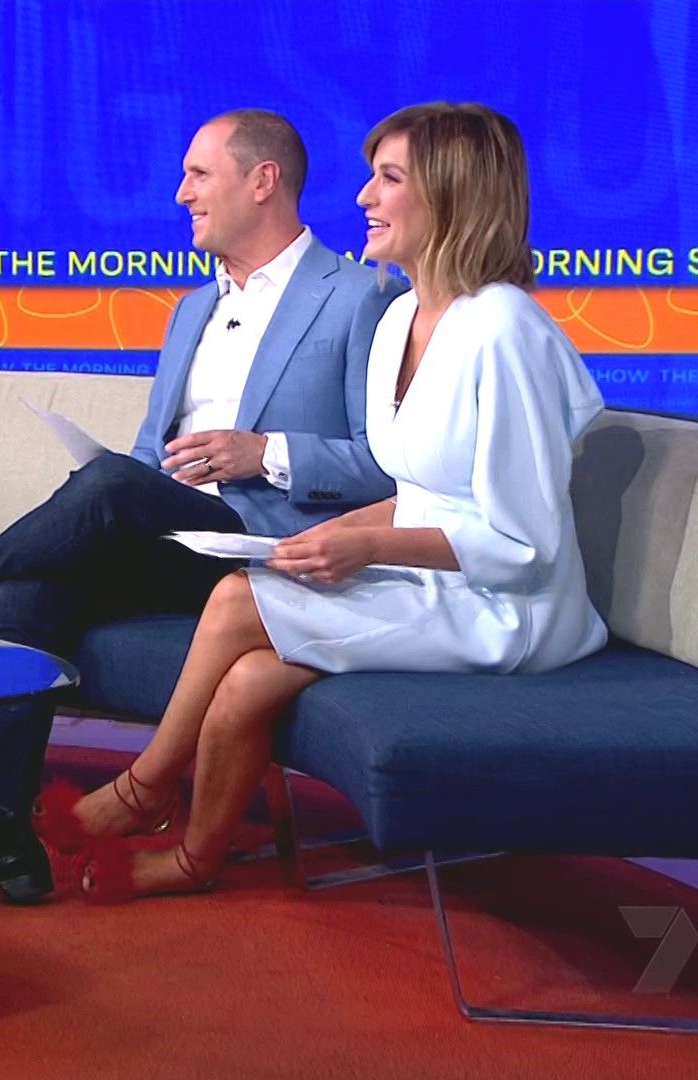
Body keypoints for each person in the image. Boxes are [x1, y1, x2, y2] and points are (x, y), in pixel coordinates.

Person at [0, 109, 404, 902]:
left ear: (263, 181)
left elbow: (389, 467)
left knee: (111, 487)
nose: (181, 194)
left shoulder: (361, 297)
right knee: (32, 584)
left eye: (198, 175)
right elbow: (151, 459)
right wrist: (111, 492)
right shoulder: (192, 309)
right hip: (171, 538)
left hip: (264, 551)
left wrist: (268, 453)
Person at [49, 102, 610, 902]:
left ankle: (144, 789)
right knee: (249, 677)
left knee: (237, 600)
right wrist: (323, 541)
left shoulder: (505, 331)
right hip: (431, 579)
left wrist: (363, 547)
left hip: (506, 610)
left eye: (389, 179)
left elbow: (525, 544)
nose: (362, 198)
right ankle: (194, 860)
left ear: (450, 194)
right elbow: (415, 493)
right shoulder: (402, 317)